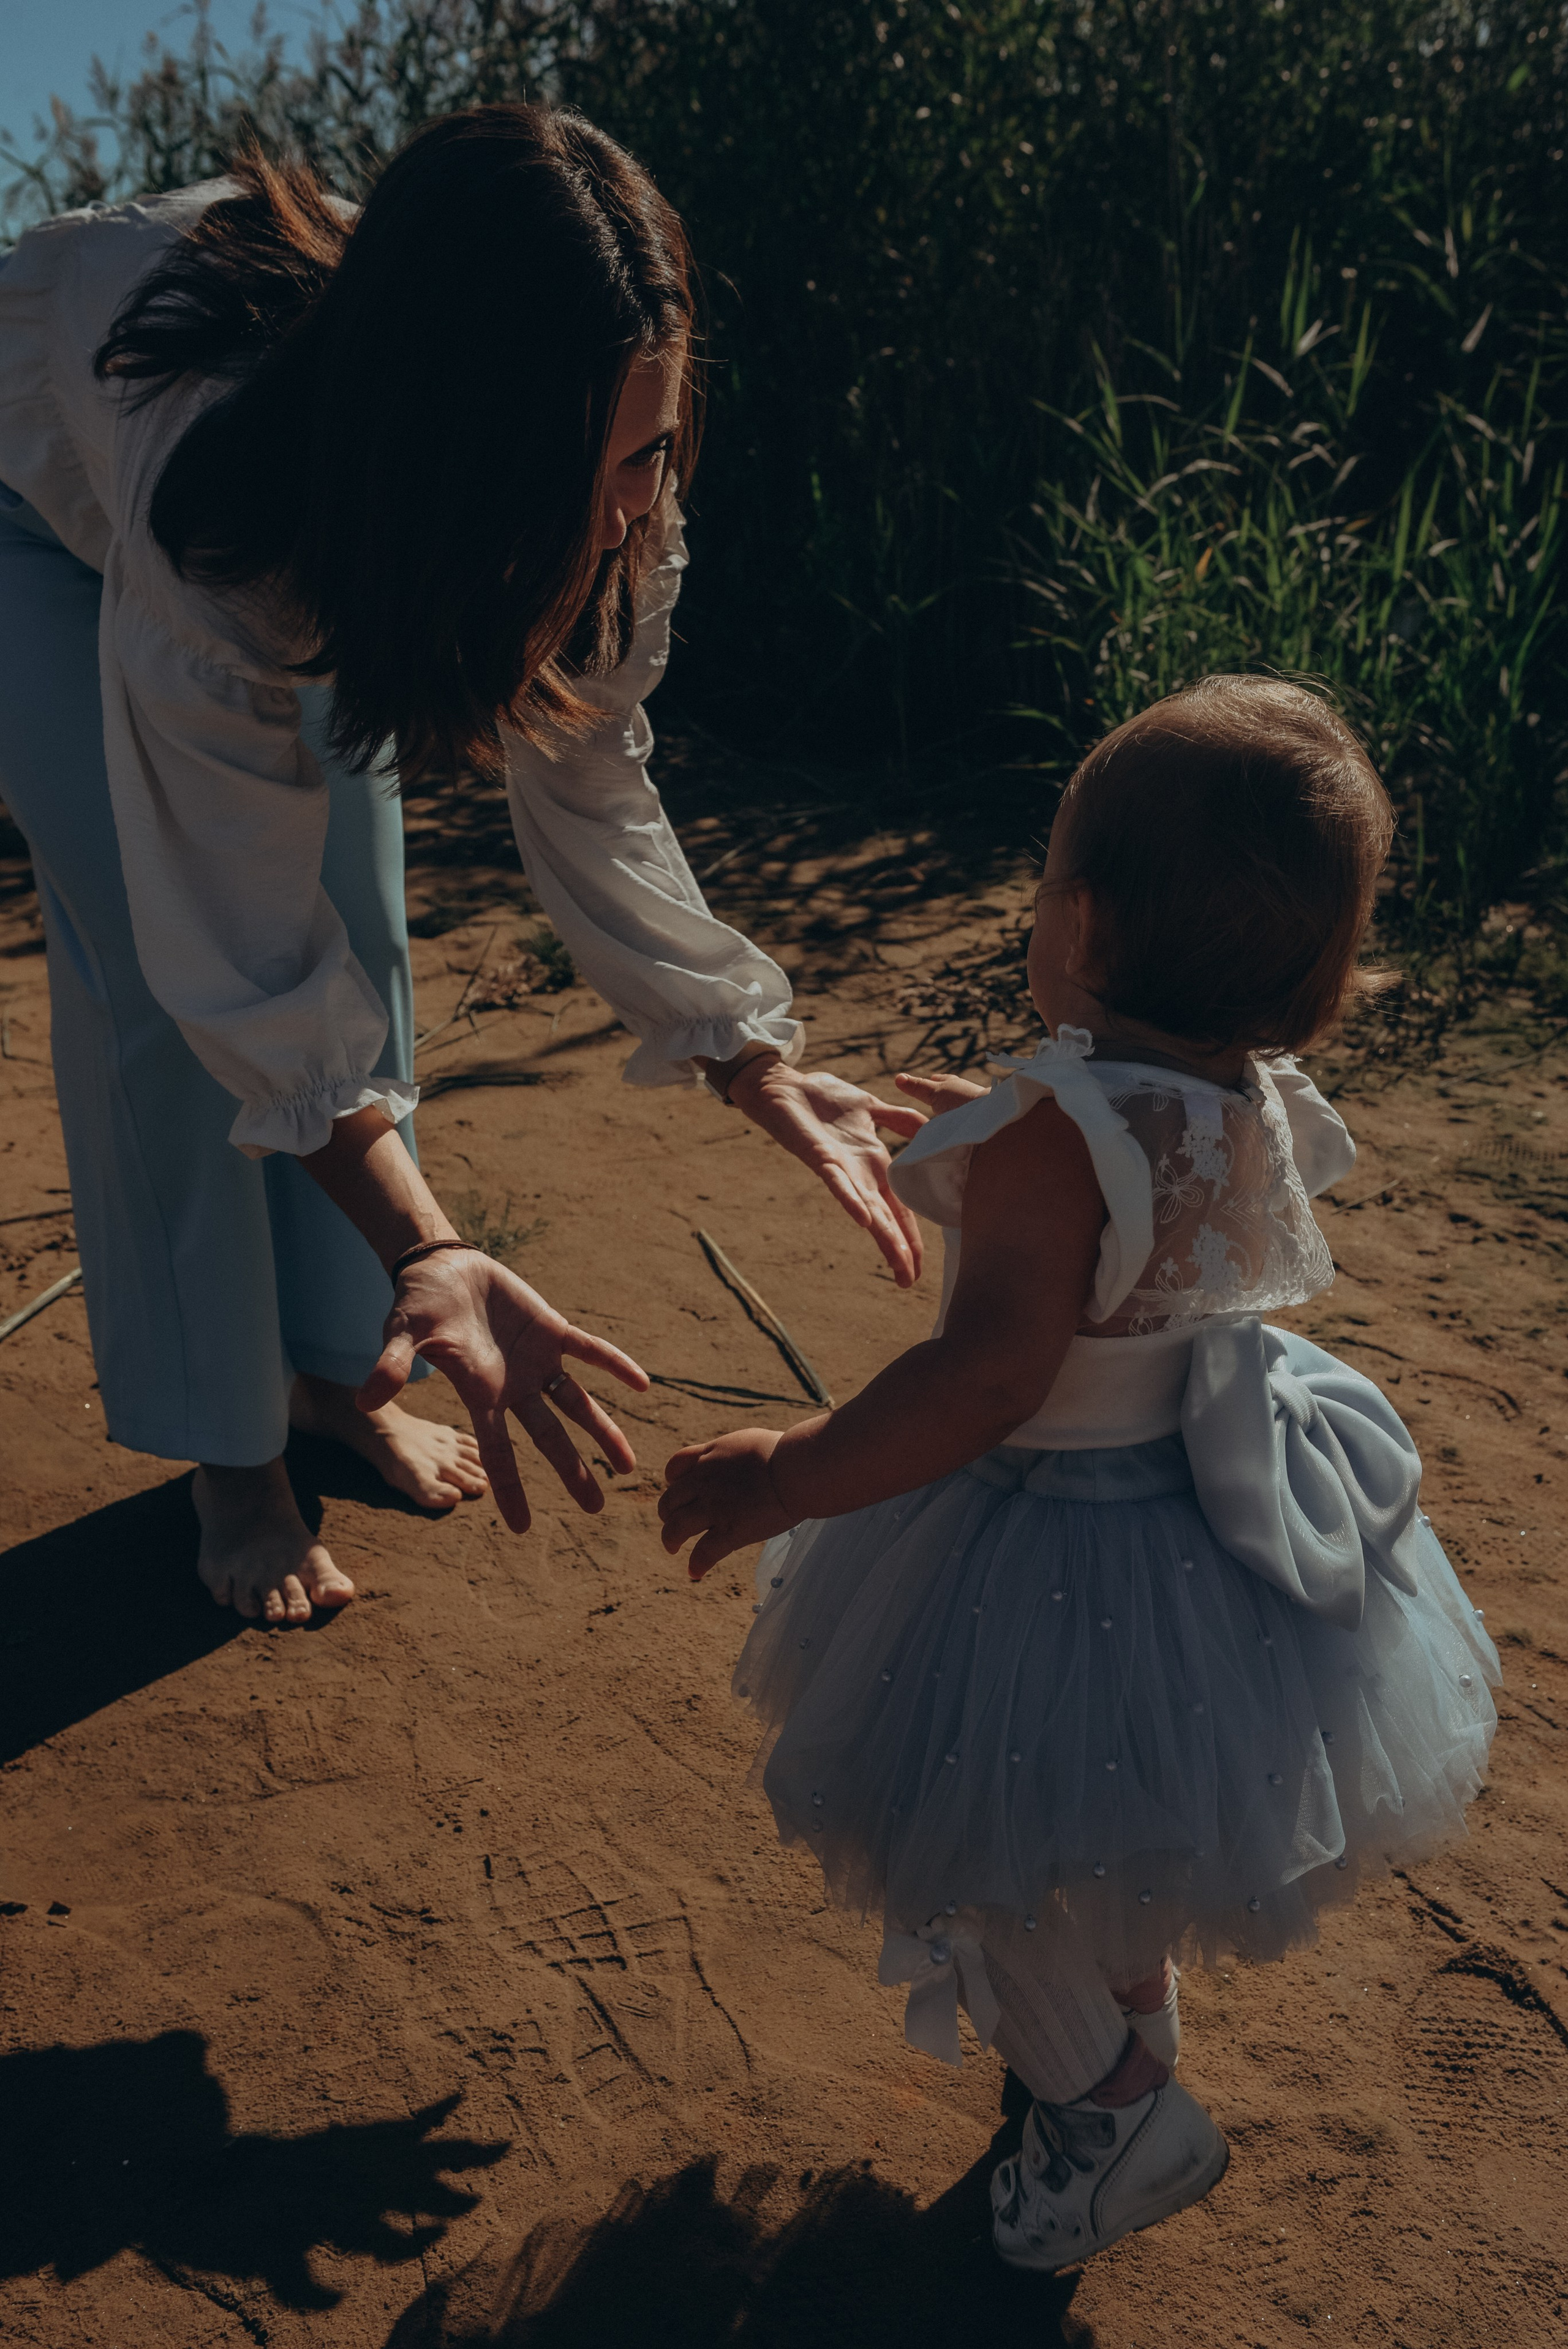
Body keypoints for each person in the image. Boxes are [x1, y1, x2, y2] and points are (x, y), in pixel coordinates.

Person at [0, 104, 925, 1627]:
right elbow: (234, 948)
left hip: (348, 505)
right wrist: (441, 1239)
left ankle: (335, 1371)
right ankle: (232, 1459)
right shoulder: (220, 496)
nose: (637, 502)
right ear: (474, 445)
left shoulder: (594, 450)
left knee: (361, 926)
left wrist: (744, 1053)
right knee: (173, 993)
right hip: (44, 526)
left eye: (652, 449)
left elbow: (588, 772)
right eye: (606, 464)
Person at [657, 676, 1500, 2272]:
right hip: (1194, 1523)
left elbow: (986, 1374)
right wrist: (1005, 1165)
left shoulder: (1058, 1119)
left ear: (1086, 917)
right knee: (1108, 1817)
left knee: (978, 1852)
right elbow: (1139, 1246)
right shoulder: (1245, 1093)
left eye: (1049, 874)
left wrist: (787, 1469)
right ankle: (1127, 2036)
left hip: (1047, 1526)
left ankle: (1110, 2113)